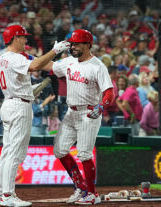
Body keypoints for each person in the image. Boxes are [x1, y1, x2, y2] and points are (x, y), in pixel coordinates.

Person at [0, 24, 69, 207]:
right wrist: (55, 50)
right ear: (14, 38)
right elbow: (35, 65)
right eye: (23, 37)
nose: (26, 40)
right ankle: (8, 195)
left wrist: (29, 89)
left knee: (7, 152)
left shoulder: (3, 57)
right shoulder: (14, 57)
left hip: (11, 102)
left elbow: (43, 65)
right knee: (15, 153)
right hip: (19, 106)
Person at [48, 29, 114, 205]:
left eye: (77, 43)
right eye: (72, 43)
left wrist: (101, 106)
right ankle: (81, 187)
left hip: (89, 113)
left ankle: (92, 194)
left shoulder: (97, 66)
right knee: (59, 150)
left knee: (84, 154)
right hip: (71, 112)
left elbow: (109, 93)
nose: (73, 46)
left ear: (88, 44)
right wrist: (30, 58)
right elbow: (45, 66)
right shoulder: (68, 61)